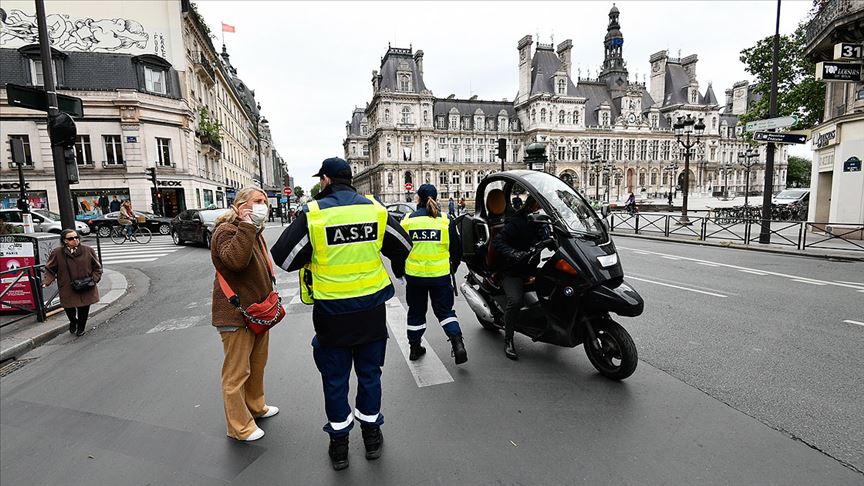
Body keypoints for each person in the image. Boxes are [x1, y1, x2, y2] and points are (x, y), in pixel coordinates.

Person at [271, 157, 411, 471]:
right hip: (371, 312)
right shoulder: (374, 210)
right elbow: (403, 245)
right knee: (370, 374)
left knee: (335, 380)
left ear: (326, 181)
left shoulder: (315, 214)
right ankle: (372, 435)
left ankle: (339, 445)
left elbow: (284, 257)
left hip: (332, 314)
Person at [210, 186, 279, 442]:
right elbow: (235, 261)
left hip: (257, 312)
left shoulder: (254, 230)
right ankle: (239, 427)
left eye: (264, 201)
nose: (263, 204)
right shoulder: (225, 231)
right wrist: (247, 225)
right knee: (237, 373)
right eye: (257, 201)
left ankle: (256, 407)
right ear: (241, 205)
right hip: (235, 314)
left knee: (257, 365)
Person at [401, 184, 466, 364]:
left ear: (418, 199)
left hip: (415, 277)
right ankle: (457, 343)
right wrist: (451, 268)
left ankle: (415, 348)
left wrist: (400, 271)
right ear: (436, 198)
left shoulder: (407, 221)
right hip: (440, 276)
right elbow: (456, 249)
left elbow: (400, 249)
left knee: (415, 313)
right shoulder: (445, 220)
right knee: (445, 312)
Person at [492, 195, 543, 360]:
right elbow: (498, 242)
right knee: (515, 301)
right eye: (538, 207)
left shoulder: (541, 223)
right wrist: (514, 254)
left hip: (530, 267)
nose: (540, 211)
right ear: (531, 207)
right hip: (512, 269)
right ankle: (508, 339)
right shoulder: (516, 222)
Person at [42, 229, 102, 337]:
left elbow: (97, 267)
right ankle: (73, 321)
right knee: (69, 308)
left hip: (86, 285)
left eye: (76, 237)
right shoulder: (57, 253)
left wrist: (94, 279)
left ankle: (81, 327)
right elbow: (50, 269)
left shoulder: (87, 250)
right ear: (65, 241)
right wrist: (46, 281)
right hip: (67, 285)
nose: (75, 240)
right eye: (71, 238)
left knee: (83, 307)